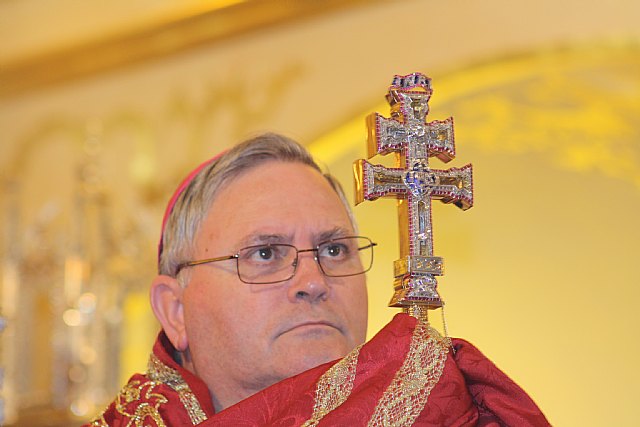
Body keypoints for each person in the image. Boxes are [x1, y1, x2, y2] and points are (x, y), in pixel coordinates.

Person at [86, 133, 549, 426]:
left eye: (334, 250)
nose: (313, 280)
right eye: (265, 253)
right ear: (175, 310)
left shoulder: (459, 413)